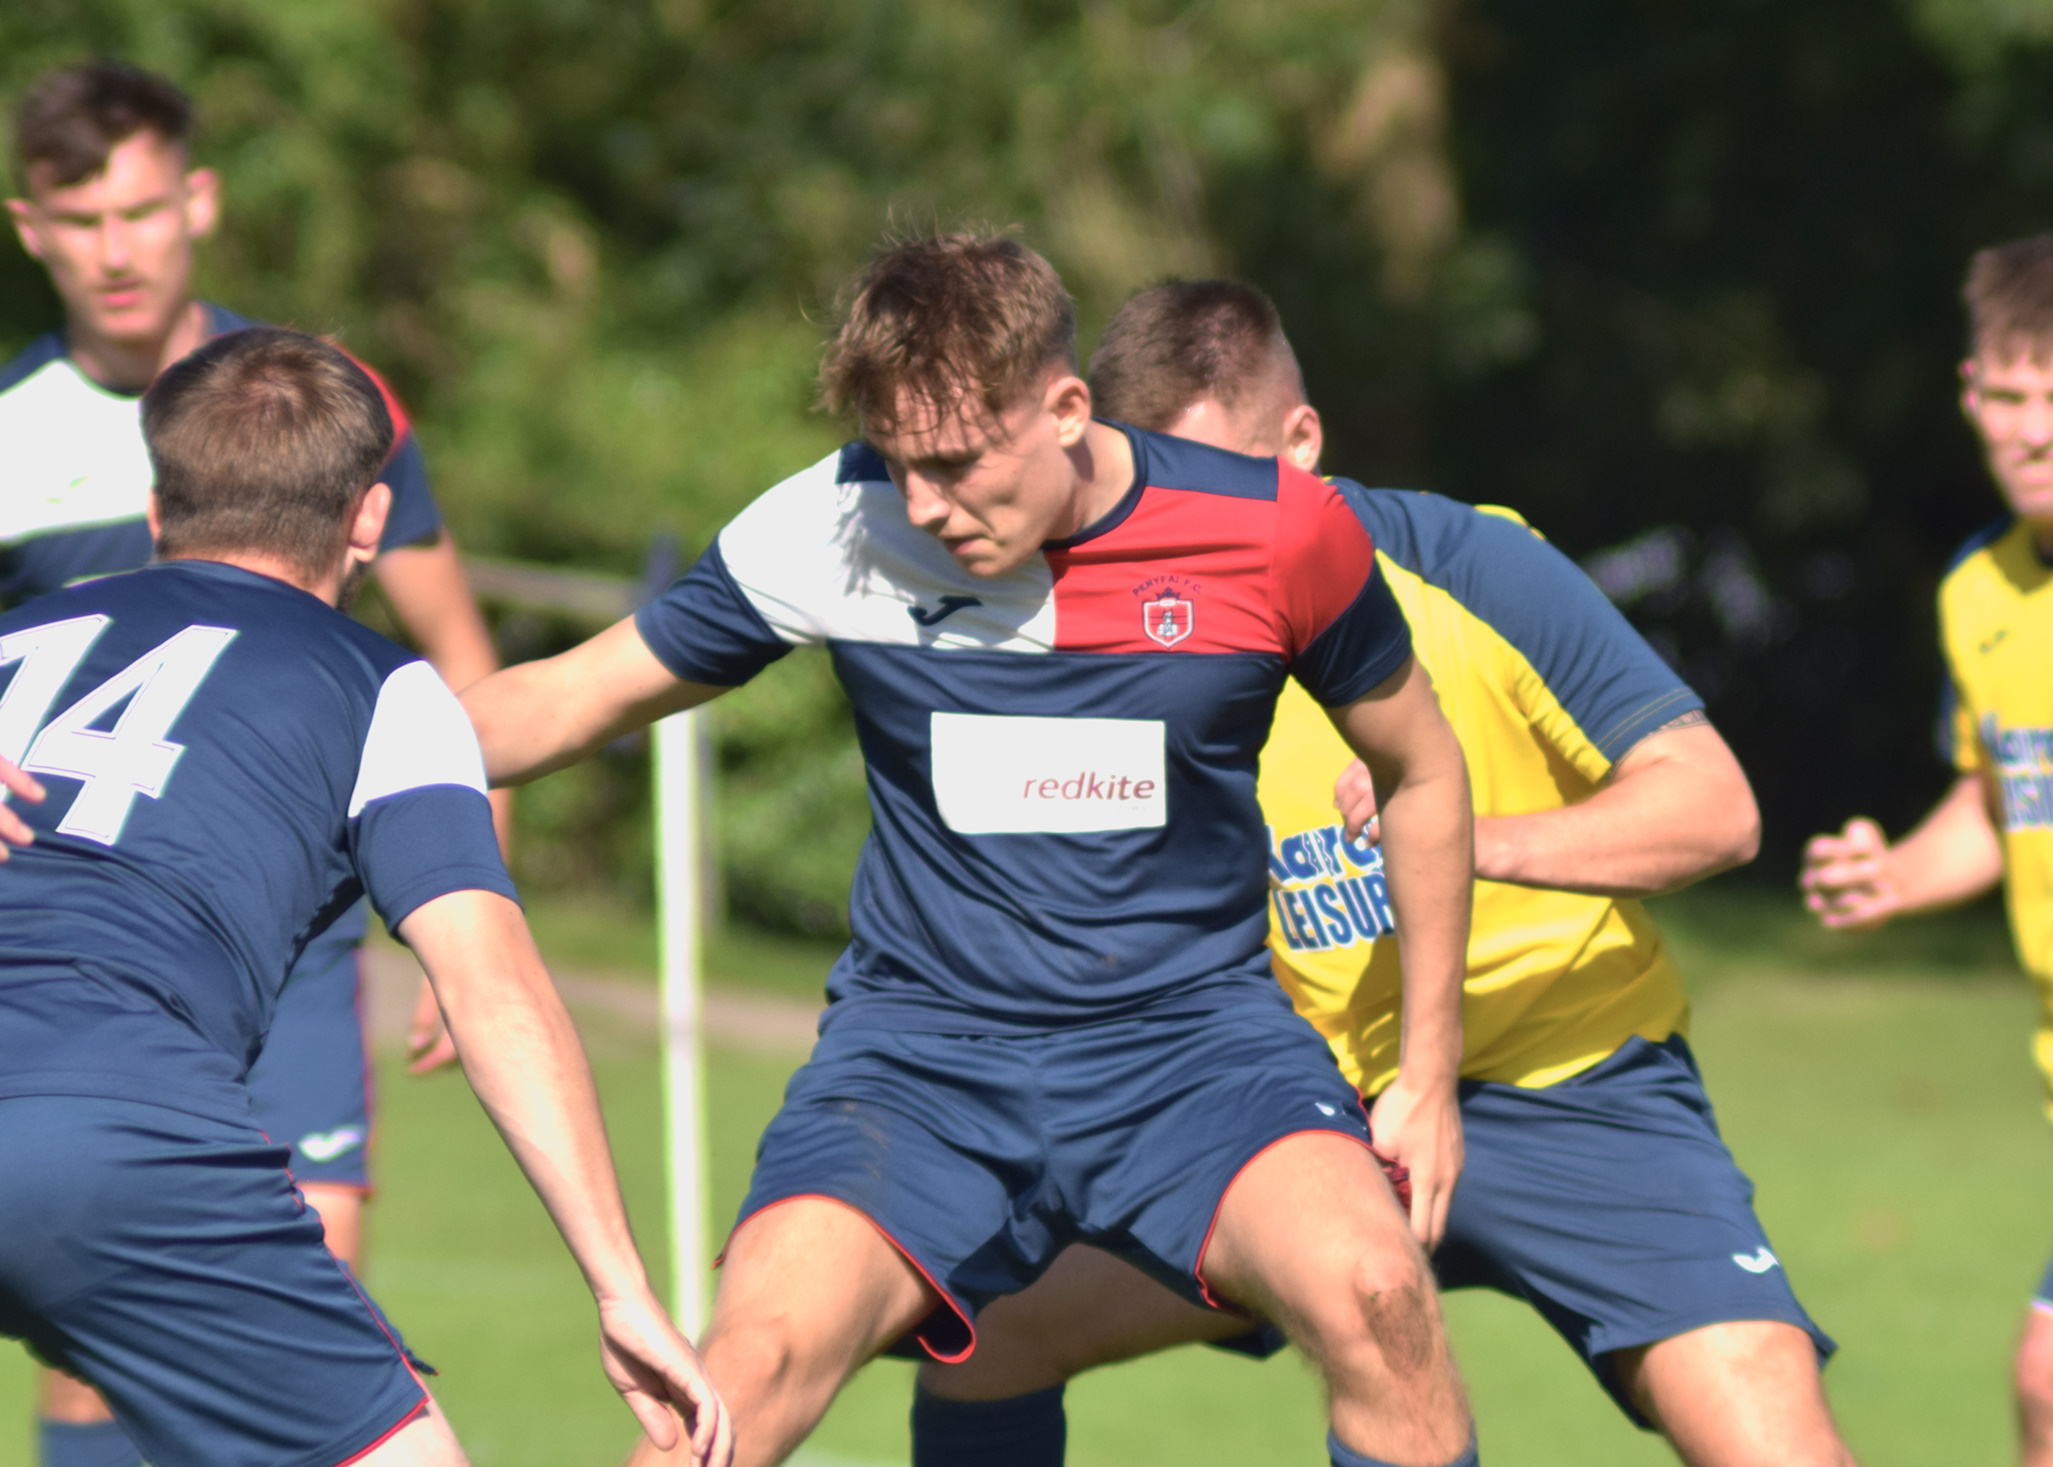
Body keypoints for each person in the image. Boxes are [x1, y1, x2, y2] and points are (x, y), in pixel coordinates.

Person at [461, 231, 1481, 1467]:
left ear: (1064, 406)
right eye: (899, 467)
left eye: (954, 464)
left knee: (1379, 1298)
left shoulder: (1273, 532)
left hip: (1192, 1046)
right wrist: (329, 758)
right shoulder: (835, 525)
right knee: (736, 1386)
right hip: (922, 1059)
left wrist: (1426, 1072)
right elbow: (564, 699)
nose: (927, 506)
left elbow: (1422, 770)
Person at [905, 278, 1857, 1466]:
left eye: (1223, 482)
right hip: (1288, 1112)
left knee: (1776, 1444)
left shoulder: (1472, 565)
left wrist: (1461, 840)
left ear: (1300, 446)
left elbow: (1714, 809)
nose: (1188, 524)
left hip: (1570, 1083)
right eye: (1160, 487)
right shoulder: (1099, 623)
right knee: (983, 1333)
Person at [0, 327, 727, 1467]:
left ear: (157, 507)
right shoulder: (386, 689)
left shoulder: (15, 636)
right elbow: (496, 995)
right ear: (373, 522)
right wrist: (621, 1287)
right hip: (106, 1127)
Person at [0, 61, 503, 1467]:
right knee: (97, 1325)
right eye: (79, 215)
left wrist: (478, 912)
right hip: (77, 933)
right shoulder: (9, 432)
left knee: (312, 1276)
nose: (117, 247)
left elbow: (458, 659)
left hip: (284, 931)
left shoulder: (311, 407)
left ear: (198, 204)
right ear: (28, 227)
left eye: (143, 209)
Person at [1802, 236, 2053, 1466]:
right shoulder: (1975, 590)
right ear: (1972, 395)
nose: (2038, 431)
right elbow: (2001, 796)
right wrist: (1896, 876)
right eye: (2012, 399)